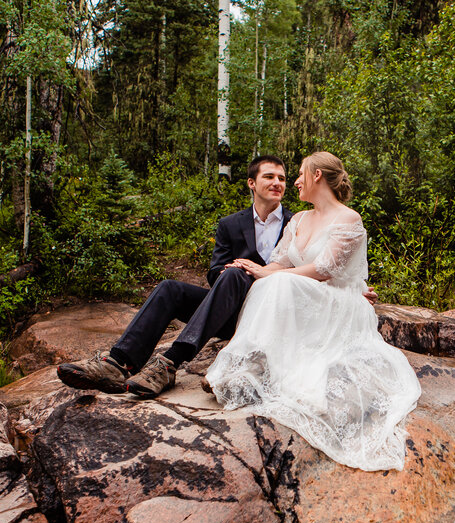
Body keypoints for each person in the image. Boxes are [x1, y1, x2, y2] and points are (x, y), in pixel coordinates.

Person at [205, 152, 421, 471]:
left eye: (300, 174)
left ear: (317, 175)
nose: (294, 182)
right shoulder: (299, 220)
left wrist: (272, 275)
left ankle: (266, 369)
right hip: (308, 292)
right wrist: (255, 269)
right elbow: (281, 263)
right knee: (270, 284)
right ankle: (254, 362)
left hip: (341, 302)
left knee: (277, 284)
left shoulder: (349, 219)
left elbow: (324, 269)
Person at [57, 155, 293, 397]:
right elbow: (214, 272)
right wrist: (226, 271)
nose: (277, 183)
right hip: (228, 310)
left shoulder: (295, 223)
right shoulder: (230, 224)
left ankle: (170, 363)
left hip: (266, 315)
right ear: (251, 183)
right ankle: (119, 363)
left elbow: (303, 274)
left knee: (235, 275)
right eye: (269, 176)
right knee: (171, 288)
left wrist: (251, 272)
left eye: (282, 178)